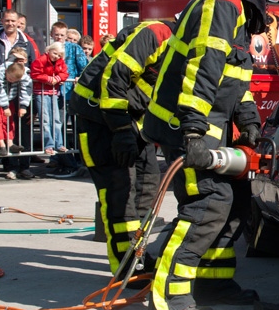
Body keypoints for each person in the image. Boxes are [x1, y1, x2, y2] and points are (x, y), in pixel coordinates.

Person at [142, 0, 279, 310]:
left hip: (210, 125)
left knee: (236, 202)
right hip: (186, 124)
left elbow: (234, 80)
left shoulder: (237, 10)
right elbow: (203, 67)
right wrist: (192, 130)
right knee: (208, 203)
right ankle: (168, 297)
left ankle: (213, 283)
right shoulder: (223, 2)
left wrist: (251, 123)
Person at [70, 21, 173, 280]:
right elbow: (116, 76)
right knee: (119, 191)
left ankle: (136, 254)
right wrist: (120, 130)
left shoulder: (187, 51)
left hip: (134, 122)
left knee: (148, 184)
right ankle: (125, 268)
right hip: (99, 117)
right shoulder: (157, 34)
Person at [49, 21, 88, 177]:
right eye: (56, 34)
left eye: (62, 35)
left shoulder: (74, 48)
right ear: (51, 35)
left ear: (66, 35)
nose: (59, 37)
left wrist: (80, 77)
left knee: (77, 129)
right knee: (59, 130)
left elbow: (85, 67)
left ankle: (80, 162)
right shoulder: (49, 50)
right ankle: (65, 162)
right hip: (55, 95)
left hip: (73, 95)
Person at [30, 42, 70, 169]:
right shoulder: (41, 60)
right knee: (45, 119)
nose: (56, 56)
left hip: (53, 93)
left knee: (56, 120)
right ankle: (48, 145)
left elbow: (65, 73)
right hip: (41, 93)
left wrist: (57, 79)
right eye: (54, 53)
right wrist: (48, 79)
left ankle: (59, 144)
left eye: (59, 55)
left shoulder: (60, 62)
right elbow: (34, 73)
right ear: (49, 50)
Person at [0, 48, 32, 179]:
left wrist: (23, 106)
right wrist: (4, 106)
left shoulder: (24, 73)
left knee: (11, 124)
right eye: (10, 79)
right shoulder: (0, 71)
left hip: (11, 100)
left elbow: (26, 89)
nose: (11, 81)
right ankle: (2, 146)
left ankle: (11, 145)